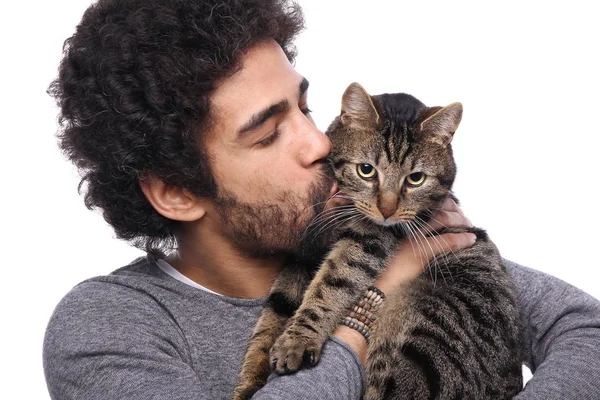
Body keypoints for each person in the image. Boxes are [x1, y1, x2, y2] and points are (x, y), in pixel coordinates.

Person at [43, 0, 600, 399]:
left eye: (304, 109)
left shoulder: (387, 237)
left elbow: (587, 330)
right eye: (267, 134)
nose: (318, 144)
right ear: (176, 192)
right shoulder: (109, 324)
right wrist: (372, 305)